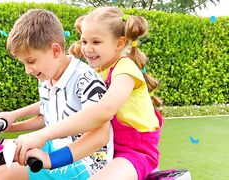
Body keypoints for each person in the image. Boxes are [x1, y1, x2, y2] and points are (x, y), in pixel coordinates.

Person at [15, 6, 163, 180]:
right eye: (84, 42)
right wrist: (15, 118)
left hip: (134, 151)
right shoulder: (98, 72)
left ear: (120, 43)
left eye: (96, 42)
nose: (87, 48)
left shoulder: (125, 70)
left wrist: (44, 135)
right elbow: (49, 104)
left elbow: (103, 111)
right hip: (109, 146)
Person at [0, 9, 113, 180]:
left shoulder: (85, 80)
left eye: (31, 61)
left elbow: (100, 135)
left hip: (88, 161)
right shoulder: (47, 77)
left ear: (55, 51)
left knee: (2, 176)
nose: (27, 70)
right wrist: (14, 122)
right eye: (23, 63)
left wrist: (51, 159)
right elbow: (49, 113)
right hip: (57, 146)